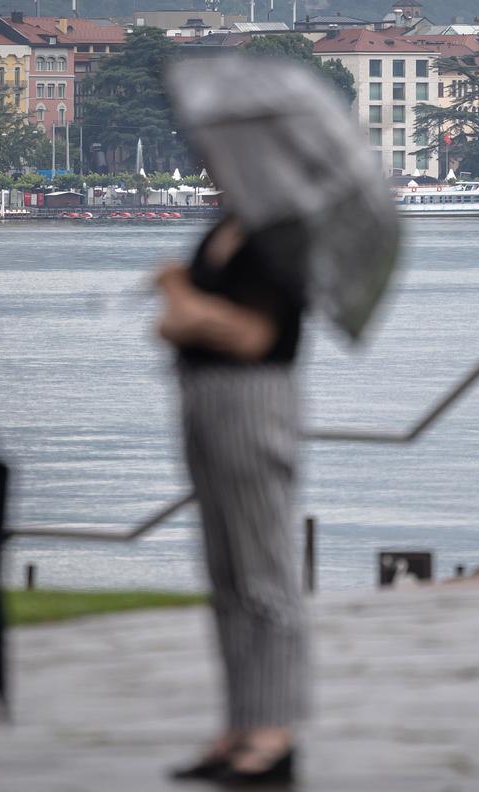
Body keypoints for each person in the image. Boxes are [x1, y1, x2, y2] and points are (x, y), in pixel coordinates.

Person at [156, 214, 311, 786]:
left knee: (263, 571)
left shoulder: (278, 238)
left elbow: (252, 335)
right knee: (226, 576)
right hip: (204, 401)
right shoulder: (220, 234)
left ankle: (274, 730)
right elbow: (173, 329)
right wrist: (190, 314)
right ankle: (241, 723)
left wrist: (180, 297)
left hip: (253, 406)